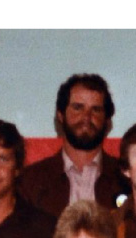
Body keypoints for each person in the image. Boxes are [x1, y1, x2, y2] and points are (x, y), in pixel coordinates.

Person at [19, 73, 124, 217]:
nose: (86, 117)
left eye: (96, 109)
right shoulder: (30, 181)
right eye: (78, 108)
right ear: (60, 115)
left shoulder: (126, 180)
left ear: (107, 120)